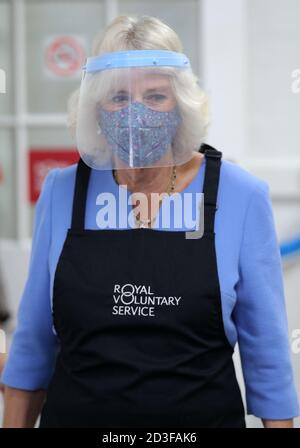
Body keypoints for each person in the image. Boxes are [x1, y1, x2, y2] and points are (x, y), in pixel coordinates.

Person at [1, 15, 299, 428]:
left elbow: (266, 354)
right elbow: (33, 343)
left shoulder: (240, 194)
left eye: (155, 97)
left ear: (180, 105)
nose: (136, 112)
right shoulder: (63, 190)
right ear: (97, 109)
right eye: (119, 97)